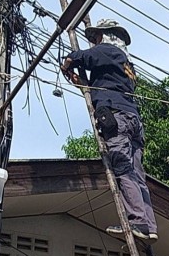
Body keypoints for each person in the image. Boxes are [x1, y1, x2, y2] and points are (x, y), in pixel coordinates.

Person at [61, 19, 158, 241]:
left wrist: (66, 64)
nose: (94, 42)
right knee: (137, 173)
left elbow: (80, 57)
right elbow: (106, 84)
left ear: (105, 36)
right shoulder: (126, 65)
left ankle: (137, 221)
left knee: (122, 168)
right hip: (132, 119)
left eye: (96, 38)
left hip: (116, 117)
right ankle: (149, 225)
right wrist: (81, 82)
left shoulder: (108, 51)